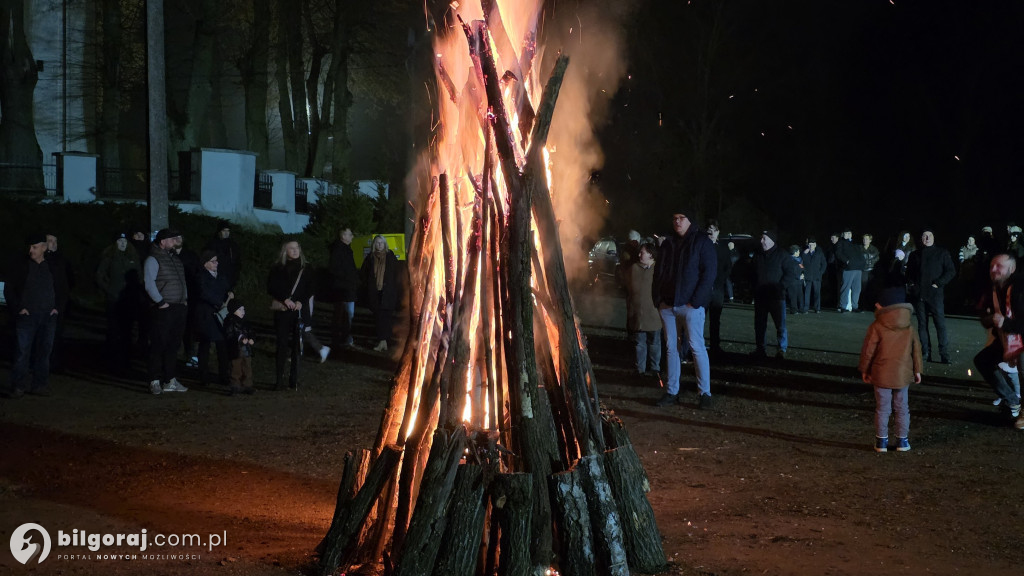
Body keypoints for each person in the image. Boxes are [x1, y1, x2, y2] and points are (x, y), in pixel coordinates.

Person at [652, 211, 716, 408]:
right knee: (671, 348)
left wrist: (695, 301)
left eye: (682, 218)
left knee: (696, 347)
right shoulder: (669, 244)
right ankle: (672, 391)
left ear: (690, 220)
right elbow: (659, 271)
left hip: (690, 306)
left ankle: (705, 393)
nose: (677, 221)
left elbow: (709, 273)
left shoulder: (702, 242)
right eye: (674, 218)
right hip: (668, 305)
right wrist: (658, 298)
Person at [858, 286, 923, 452]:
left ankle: (881, 441)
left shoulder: (876, 326)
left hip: (881, 373)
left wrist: (865, 369)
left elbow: (868, 351)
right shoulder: (909, 326)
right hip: (902, 373)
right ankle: (902, 441)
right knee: (902, 407)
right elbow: (916, 350)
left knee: (882, 408)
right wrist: (917, 370)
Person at [5, 234, 69, 397]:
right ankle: (19, 385)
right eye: (30, 247)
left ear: (43, 248)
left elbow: (62, 288)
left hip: (47, 316)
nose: (31, 250)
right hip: (27, 316)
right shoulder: (22, 266)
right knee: (22, 352)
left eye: (34, 247)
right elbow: (9, 288)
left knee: (44, 353)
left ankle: (39, 384)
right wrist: (19, 308)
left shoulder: (53, 266)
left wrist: (57, 308)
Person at [267, 239, 325, 390]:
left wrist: (300, 301)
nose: (294, 250)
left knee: (297, 347)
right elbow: (271, 287)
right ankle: (279, 380)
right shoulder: (278, 268)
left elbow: (311, 288)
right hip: (283, 312)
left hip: (299, 312)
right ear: (285, 251)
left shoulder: (306, 269)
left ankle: (294, 380)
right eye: (291, 248)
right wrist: (285, 299)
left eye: (297, 247)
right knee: (281, 345)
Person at [974, 253, 1022, 423]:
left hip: (1020, 339)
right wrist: (989, 320)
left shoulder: (1019, 288)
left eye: (999, 266)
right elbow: (985, 317)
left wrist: (1006, 323)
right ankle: (1012, 401)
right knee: (983, 360)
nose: (994, 270)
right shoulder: (992, 289)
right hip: (1006, 339)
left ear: (1012, 269)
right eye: (991, 266)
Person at [144, 229, 189, 394]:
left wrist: (184, 301)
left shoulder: (175, 259)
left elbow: (182, 282)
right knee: (158, 344)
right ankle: (154, 380)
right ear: (162, 241)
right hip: (163, 308)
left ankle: (169, 379)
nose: (174, 241)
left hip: (178, 307)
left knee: (173, 345)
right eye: (171, 238)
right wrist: (160, 302)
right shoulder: (153, 259)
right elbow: (149, 283)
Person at [906, 229, 956, 364]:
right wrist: (912, 285)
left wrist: (939, 283)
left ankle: (944, 353)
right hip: (920, 295)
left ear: (934, 238)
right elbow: (909, 273)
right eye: (924, 236)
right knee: (922, 325)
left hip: (935, 295)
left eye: (929, 236)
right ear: (921, 238)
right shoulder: (915, 255)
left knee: (940, 324)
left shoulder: (942, 253)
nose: (927, 238)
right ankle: (925, 352)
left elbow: (951, 271)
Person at [95, 232, 143, 374]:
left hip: (129, 300)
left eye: (124, 241)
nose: (122, 243)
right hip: (114, 300)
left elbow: (139, 276)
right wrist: (109, 290)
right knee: (113, 330)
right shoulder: (109, 257)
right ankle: (112, 361)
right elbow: (99, 275)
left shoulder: (133, 257)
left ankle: (126, 361)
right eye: (119, 241)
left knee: (128, 331)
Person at [751, 230, 800, 360]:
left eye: (764, 238)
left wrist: (780, 287)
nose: (761, 241)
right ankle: (760, 348)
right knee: (760, 325)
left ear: (772, 240)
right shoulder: (758, 255)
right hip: (761, 296)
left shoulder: (782, 255)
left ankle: (781, 349)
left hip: (776, 297)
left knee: (780, 325)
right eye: (761, 238)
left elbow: (791, 273)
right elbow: (752, 273)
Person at [193, 250, 232, 387]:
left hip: (220, 315)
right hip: (207, 315)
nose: (216, 263)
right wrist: (219, 303)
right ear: (205, 264)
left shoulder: (221, 276)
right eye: (213, 261)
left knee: (222, 346)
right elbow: (203, 293)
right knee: (205, 345)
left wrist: (229, 295)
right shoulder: (201, 277)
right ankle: (203, 376)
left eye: (216, 261)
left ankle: (224, 375)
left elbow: (227, 289)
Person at [360, 235, 400, 352]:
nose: (379, 245)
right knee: (378, 317)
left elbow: (397, 274)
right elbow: (364, 274)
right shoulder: (370, 258)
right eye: (377, 243)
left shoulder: (391, 257)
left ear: (385, 244)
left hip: (388, 292)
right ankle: (383, 342)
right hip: (375, 292)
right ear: (374, 245)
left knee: (386, 317)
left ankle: (383, 341)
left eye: (381, 243)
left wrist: (395, 288)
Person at [627, 242, 662, 376]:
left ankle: (655, 368)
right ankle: (640, 369)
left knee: (654, 342)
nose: (640, 254)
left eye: (643, 252)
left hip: (654, 313)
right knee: (639, 343)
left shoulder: (657, 269)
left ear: (651, 254)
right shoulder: (634, 268)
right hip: (638, 313)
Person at [44, 232, 73, 372]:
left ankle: (54, 362)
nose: (53, 244)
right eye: (50, 241)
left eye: (55, 241)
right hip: (42, 303)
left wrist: (61, 303)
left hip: (57, 304)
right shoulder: (40, 260)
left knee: (56, 335)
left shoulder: (62, 260)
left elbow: (68, 281)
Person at [329, 227, 360, 349]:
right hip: (343, 289)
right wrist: (348, 279)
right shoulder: (338, 251)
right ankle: (341, 339)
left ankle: (346, 338)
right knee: (343, 315)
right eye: (350, 234)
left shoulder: (347, 250)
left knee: (347, 314)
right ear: (343, 236)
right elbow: (335, 269)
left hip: (347, 288)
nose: (352, 236)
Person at [707, 220, 733, 355]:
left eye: (714, 229)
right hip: (703, 289)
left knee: (715, 319)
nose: (711, 232)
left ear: (718, 232)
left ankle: (715, 345)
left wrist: (720, 281)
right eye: (710, 229)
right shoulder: (702, 245)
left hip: (717, 289)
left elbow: (728, 267)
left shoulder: (722, 248)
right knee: (698, 319)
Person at [223, 299, 255, 396]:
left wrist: (251, 338)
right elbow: (229, 334)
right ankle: (235, 386)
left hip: (246, 349)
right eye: (240, 310)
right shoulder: (229, 321)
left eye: (243, 309)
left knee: (247, 366)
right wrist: (240, 338)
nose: (243, 312)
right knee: (235, 368)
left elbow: (251, 331)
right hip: (235, 349)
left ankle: (247, 385)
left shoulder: (246, 322)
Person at [834, 228, 865, 312]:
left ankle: (855, 306)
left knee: (857, 288)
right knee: (846, 287)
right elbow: (838, 253)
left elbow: (860, 253)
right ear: (843, 234)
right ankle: (842, 306)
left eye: (849, 233)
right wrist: (847, 261)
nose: (848, 235)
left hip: (858, 268)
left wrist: (862, 262)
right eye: (846, 233)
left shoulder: (854, 243)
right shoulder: (841, 242)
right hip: (848, 268)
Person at [206, 219, 242, 289]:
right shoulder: (213, 244)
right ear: (219, 232)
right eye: (224, 230)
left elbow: (237, 263)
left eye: (228, 231)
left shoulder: (233, 246)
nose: (226, 233)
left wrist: (234, 279)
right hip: (215, 281)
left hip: (229, 281)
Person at [801, 237, 827, 313]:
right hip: (807, 276)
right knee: (806, 293)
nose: (811, 246)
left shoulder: (819, 253)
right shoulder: (804, 253)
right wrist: (803, 272)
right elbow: (800, 263)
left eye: (812, 245)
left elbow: (824, 263)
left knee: (817, 293)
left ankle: (817, 308)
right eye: (809, 245)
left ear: (815, 245)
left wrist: (821, 272)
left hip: (817, 276)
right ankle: (806, 309)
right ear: (808, 245)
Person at [859, 233, 880, 310]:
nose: (865, 240)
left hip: (871, 271)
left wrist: (871, 262)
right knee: (862, 289)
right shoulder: (859, 248)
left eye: (867, 239)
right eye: (864, 239)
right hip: (863, 271)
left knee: (871, 289)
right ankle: (861, 305)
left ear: (870, 240)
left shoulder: (874, 249)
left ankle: (871, 306)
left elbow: (877, 258)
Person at [785, 245, 805, 314]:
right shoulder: (789, 260)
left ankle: (801, 309)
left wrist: (802, 274)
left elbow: (802, 268)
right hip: (792, 281)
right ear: (795, 252)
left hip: (799, 281)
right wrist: (798, 276)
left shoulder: (799, 259)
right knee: (793, 296)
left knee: (800, 295)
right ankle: (794, 310)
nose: (799, 252)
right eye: (798, 251)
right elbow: (791, 271)